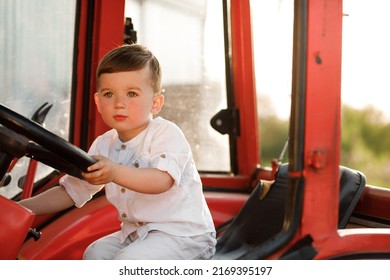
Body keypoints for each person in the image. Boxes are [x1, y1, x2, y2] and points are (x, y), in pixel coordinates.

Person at [18, 44, 216, 260]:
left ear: (156, 103)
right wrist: (17, 209)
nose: (119, 103)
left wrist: (114, 172)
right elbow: (72, 191)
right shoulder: (104, 144)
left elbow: (162, 181)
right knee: (94, 254)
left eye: (131, 93)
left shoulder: (165, 134)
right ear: (98, 102)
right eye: (109, 94)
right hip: (138, 233)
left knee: (126, 263)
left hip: (184, 236)